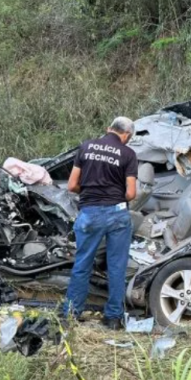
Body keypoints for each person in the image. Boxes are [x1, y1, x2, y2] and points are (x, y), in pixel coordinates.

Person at [63, 117, 138, 330]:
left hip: (90, 213)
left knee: (82, 264)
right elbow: (131, 193)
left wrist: (89, 192)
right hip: (117, 214)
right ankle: (113, 317)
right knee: (116, 267)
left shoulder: (86, 147)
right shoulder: (128, 154)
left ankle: (71, 314)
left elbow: (71, 185)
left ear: (108, 129)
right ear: (127, 135)